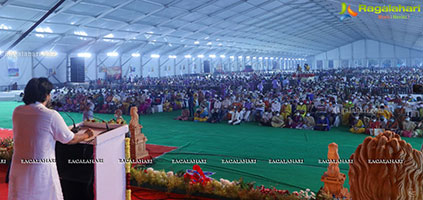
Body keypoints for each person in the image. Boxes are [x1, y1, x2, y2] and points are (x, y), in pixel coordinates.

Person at [9, 78, 94, 200]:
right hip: (40, 171)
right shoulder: (50, 115)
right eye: (49, 94)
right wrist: (86, 135)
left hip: (18, 168)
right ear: (45, 95)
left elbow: (37, 131)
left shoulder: (17, 111)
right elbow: (69, 139)